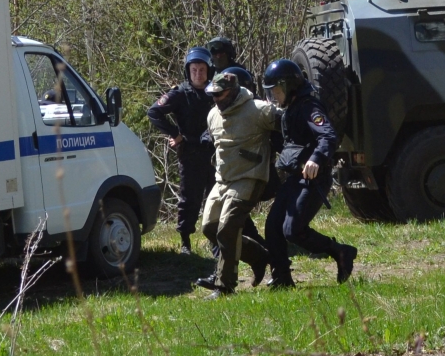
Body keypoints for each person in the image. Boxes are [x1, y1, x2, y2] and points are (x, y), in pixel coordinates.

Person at [261, 59, 356, 287]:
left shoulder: (309, 107)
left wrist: (315, 159)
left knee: (292, 230)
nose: (274, 96)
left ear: (289, 86)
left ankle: (340, 252)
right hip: (294, 178)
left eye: (276, 90)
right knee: (273, 226)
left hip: (313, 180)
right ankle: (282, 279)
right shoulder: (291, 110)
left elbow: (328, 136)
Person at [195, 68, 276, 295]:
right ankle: (260, 257)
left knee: (228, 228)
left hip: (249, 177)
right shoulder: (212, 115)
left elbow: (287, 129)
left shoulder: (259, 110)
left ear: (231, 92)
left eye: (219, 94)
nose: (215, 99)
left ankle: (224, 286)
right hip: (223, 180)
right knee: (210, 227)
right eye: (212, 94)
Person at [146, 47, 214, 253]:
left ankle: (216, 239)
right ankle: (185, 241)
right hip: (190, 153)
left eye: (202, 70)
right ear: (188, 70)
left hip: (214, 153)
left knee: (215, 197)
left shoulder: (216, 92)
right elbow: (154, 112)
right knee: (189, 199)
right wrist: (175, 134)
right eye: (194, 70)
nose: (198, 74)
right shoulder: (180, 93)